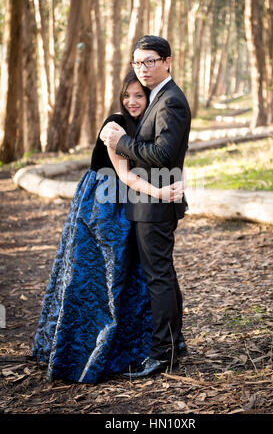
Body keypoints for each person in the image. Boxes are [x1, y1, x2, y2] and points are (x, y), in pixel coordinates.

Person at [32, 70, 184, 384]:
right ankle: (79, 350)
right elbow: (126, 176)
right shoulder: (114, 125)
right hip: (101, 205)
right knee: (93, 278)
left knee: (132, 276)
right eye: (127, 96)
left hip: (127, 201)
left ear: (149, 97)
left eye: (139, 96)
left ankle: (148, 346)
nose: (132, 101)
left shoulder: (144, 122)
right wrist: (162, 192)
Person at [100, 35, 191, 379]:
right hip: (149, 200)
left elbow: (164, 155)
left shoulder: (171, 101)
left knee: (158, 277)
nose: (143, 68)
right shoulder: (156, 97)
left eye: (150, 61)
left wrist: (121, 143)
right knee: (162, 273)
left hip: (156, 202)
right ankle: (175, 340)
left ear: (167, 61)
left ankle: (162, 354)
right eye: (138, 62)